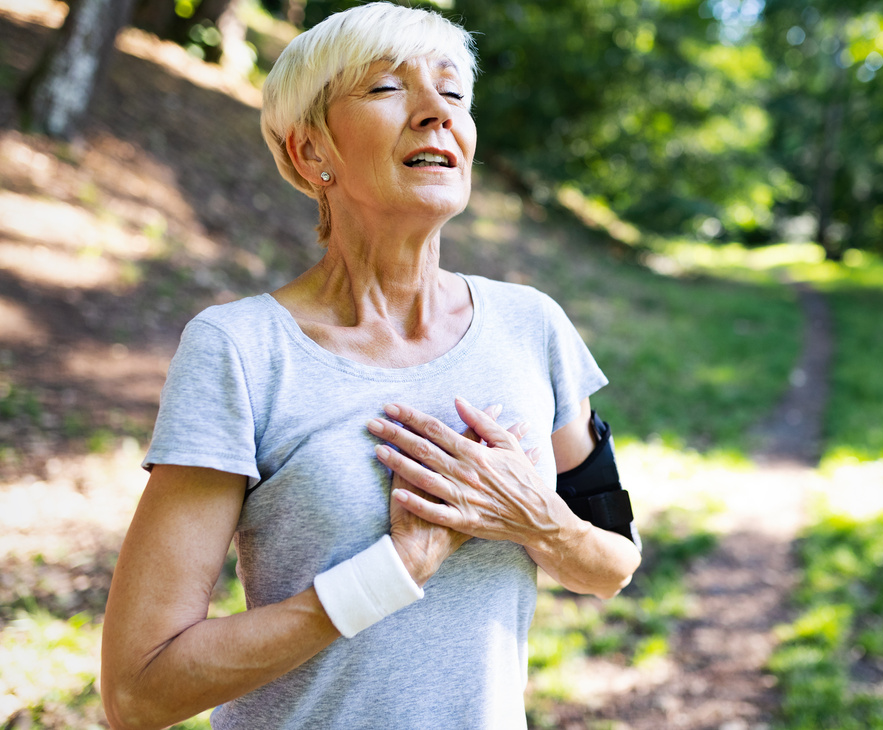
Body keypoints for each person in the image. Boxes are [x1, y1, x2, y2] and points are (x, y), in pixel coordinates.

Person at [99, 4, 641, 729]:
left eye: (453, 92)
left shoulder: (531, 326)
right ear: (308, 152)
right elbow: (139, 690)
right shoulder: (241, 349)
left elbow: (613, 566)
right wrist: (391, 573)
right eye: (387, 87)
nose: (435, 112)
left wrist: (537, 519)